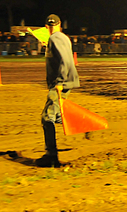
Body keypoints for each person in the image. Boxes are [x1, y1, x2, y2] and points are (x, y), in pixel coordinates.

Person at [36, 14, 80, 168]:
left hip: (62, 82)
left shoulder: (56, 38)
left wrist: (60, 81)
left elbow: (66, 61)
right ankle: (84, 125)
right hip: (64, 81)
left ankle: (51, 156)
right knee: (57, 115)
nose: (52, 27)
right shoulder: (57, 38)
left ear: (58, 25)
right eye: (50, 25)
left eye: (53, 25)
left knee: (47, 117)